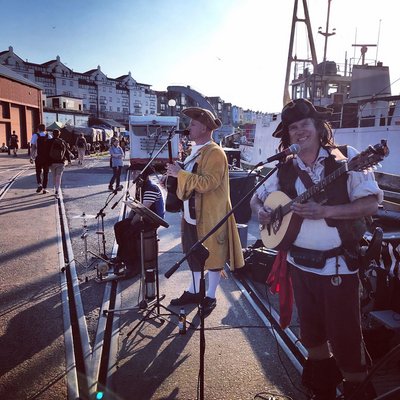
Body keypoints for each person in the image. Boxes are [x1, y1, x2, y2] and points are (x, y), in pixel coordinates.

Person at [250, 98, 383, 400]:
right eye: (293, 128)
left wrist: (326, 212)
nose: (299, 132)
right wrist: (262, 211)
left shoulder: (347, 160)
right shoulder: (284, 168)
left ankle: (356, 393)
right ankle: (322, 390)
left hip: (338, 268)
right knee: (311, 336)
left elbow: (371, 202)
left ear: (319, 128)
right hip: (299, 265)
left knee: (346, 340)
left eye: (304, 125)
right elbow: (259, 199)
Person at [165, 107, 244, 316]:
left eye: (193, 124)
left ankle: (210, 295)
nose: (189, 127)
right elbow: (189, 180)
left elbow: (208, 183)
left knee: (213, 256)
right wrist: (174, 178)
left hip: (210, 214)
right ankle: (194, 290)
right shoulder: (196, 151)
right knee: (192, 253)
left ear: (205, 128)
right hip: (192, 214)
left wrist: (180, 173)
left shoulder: (215, 152)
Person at [113, 168, 165, 278]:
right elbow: (136, 207)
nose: (132, 174)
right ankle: (122, 256)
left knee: (130, 232)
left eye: (135, 172)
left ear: (143, 175)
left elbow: (144, 210)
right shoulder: (140, 186)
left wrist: (131, 224)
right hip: (144, 217)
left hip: (152, 220)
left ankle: (134, 266)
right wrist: (127, 221)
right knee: (119, 226)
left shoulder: (151, 188)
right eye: (132, 172)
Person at [48, 129, 71, 198]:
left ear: (52, 134)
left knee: (54, 176)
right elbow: (66, 152)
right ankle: (57, 189)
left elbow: (46, 152)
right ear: (59, 134)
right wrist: (69, 160)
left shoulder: (49, 142)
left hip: (51, 162)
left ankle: (55, 188)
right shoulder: (63, 142)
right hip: (61, 162)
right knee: (58, 177)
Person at [30, 124, 52, 194]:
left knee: (38, 172)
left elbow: (33, 147)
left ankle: (39, 184)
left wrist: (31, 156)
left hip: (38, 157)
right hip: (47, 157)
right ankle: (45, 188)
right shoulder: (48, 135)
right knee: (46, 173)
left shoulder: (35, 135)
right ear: (45, 129)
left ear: (38, 129)